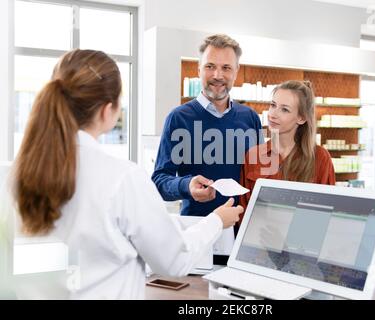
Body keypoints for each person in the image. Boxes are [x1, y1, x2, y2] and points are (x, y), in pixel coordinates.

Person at [10, 49, 243, 299]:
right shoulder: (121, 178)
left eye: (226, 67)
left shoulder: (20, 174)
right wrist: (216, 220)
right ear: (107, 110)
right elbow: (174, 261)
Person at [152, 34, 262, 217]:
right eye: (210, 66)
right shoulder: (179, 118)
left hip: (243, 228)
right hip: (199, 231)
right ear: (198, 70)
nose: (217, 75)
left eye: (226, 68)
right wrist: (186, 185)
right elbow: (159, 181)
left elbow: (259, 175)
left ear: (236, 71)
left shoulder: (250, 118)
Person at [240, 80, 335, 215]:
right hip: (259, 235)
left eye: (284, 109)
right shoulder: (254, 155)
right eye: (273, 105)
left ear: (301, 118)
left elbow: (327, 212)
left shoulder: (320, 158)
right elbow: (244, 209)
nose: (273, 114)